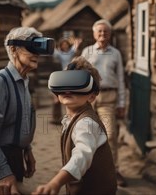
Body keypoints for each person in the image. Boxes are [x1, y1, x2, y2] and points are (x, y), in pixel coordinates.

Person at [0, 27, 54, 195]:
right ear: (13, 49)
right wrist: (2, 173)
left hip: (15, 157)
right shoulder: (0, 81)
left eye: (39, 48)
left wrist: (27, 149)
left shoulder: (23, 81)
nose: (37, 53)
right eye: (32, 47)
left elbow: (20, 121)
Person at [33, 57, 117, 195]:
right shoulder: (71, 119)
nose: (68, 90)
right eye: (65, 83)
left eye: (77, 85)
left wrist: (56, 182)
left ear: (92, 96)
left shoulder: (86, 123)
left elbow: (81, 156)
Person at [80, 19, 127, 187]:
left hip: (108, 98)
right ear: (94, 34)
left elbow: (121, 80)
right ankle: (89, 171)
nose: (102, 34)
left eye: (105, 31)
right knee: (87, 135)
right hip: (89, 98)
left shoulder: (116, 53)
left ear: (110, 34)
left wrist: (122, 103)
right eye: (99, 31)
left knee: (110, 135)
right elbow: (80, 76)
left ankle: (113, 171)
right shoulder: (87, 52)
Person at [51, 37, 82, 123]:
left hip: (71, 75)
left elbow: (75, 47)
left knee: (70, 95)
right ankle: (56, 117)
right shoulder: (59, 53)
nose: (65, 46)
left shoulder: (71, 52)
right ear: (61, 46)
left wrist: (77, 42)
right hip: (62, 75)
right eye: (63, 45)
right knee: (57, 97)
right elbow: (53, 52)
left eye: (66, 44)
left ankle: (72, 115)